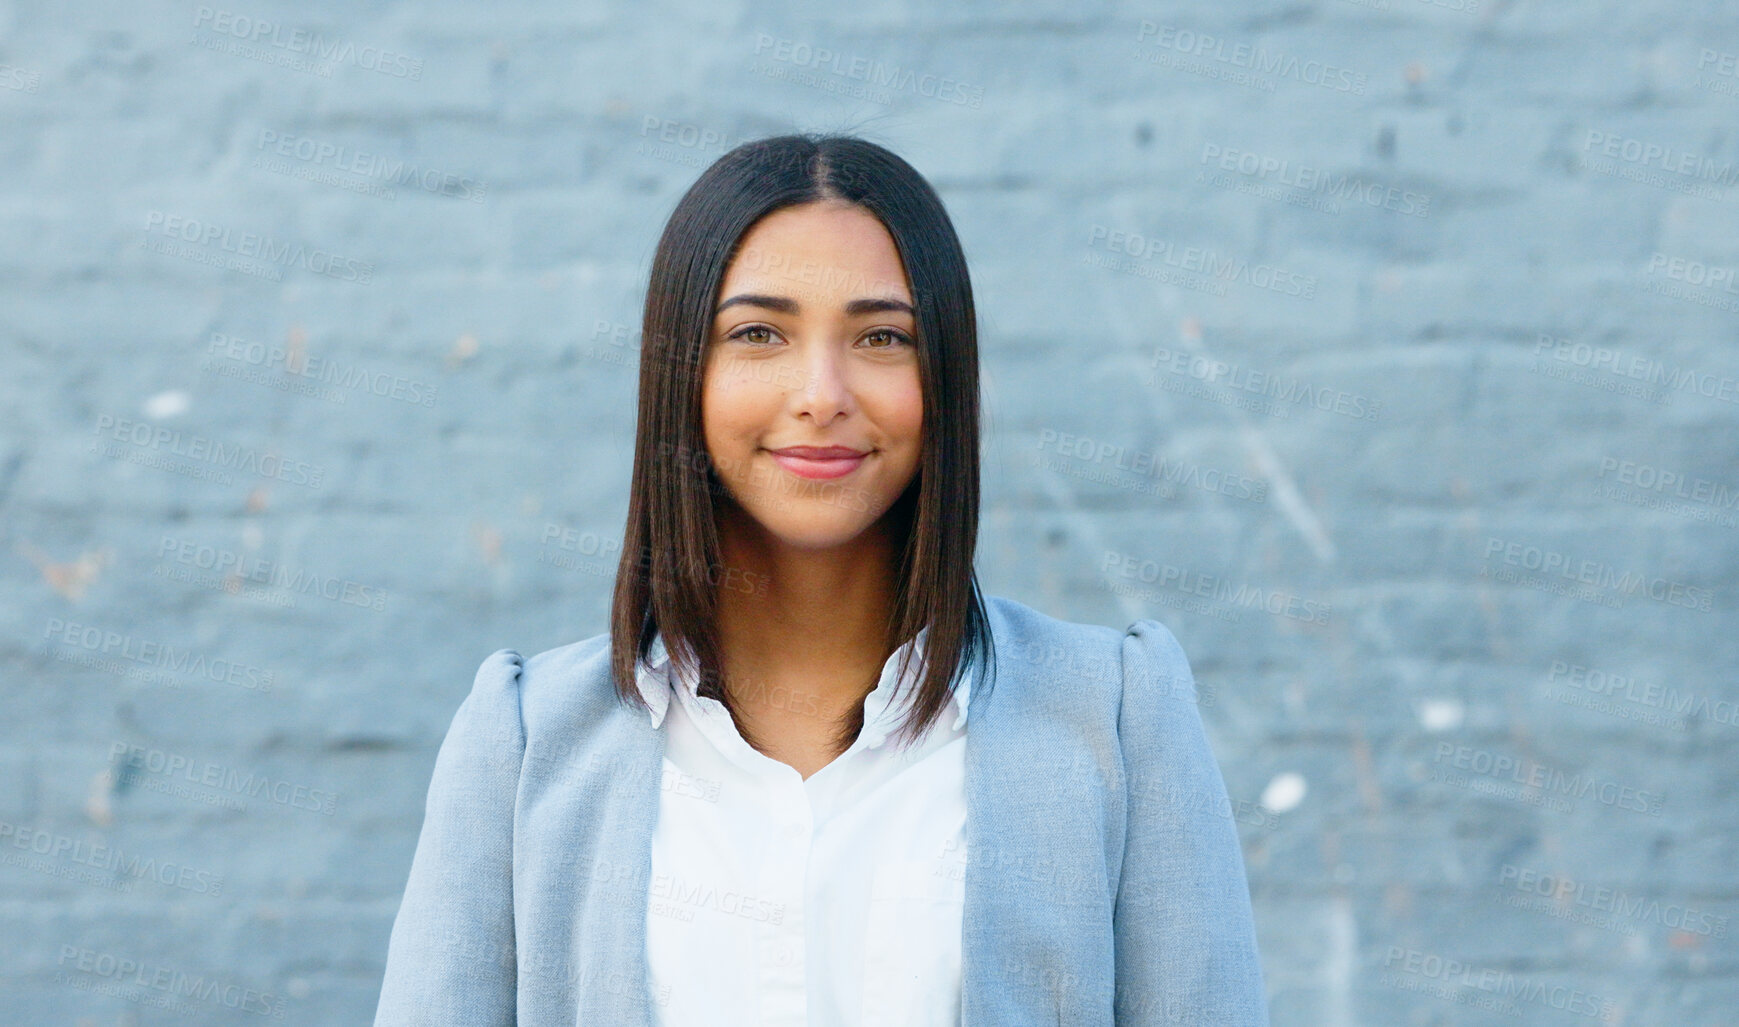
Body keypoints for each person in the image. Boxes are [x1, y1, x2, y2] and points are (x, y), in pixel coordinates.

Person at [374, 133, 1268, 1026]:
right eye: (758, 333)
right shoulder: (528, 742)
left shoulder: (1111, 717)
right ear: (682, 372)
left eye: (881, 336)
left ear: (943, 376)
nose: (820, 392)